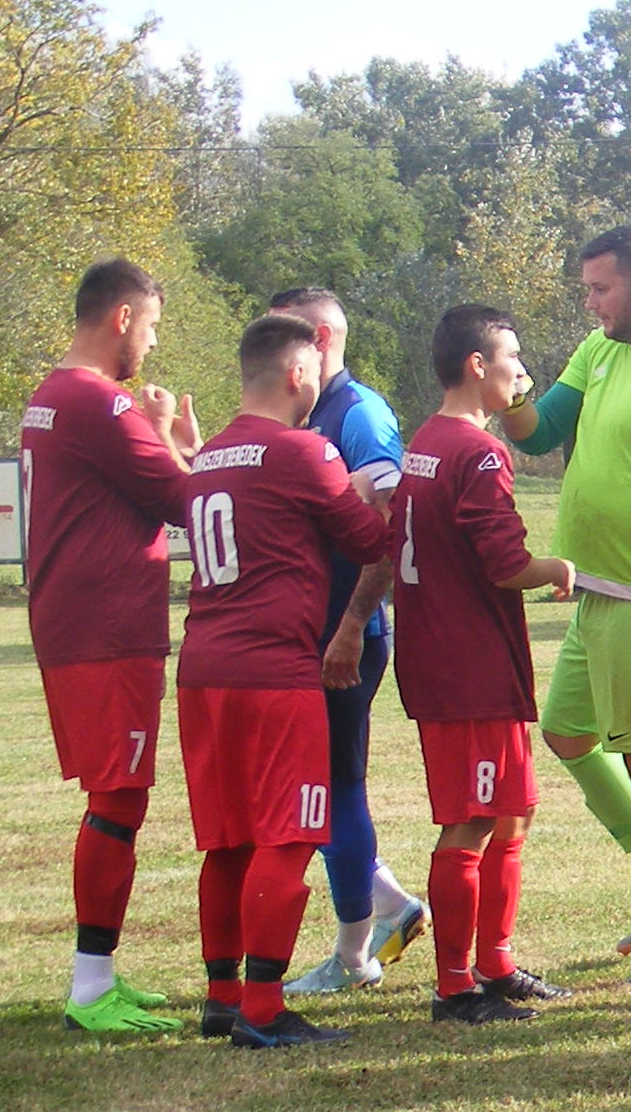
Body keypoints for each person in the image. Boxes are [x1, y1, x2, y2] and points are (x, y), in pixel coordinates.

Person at [178, 315, 401, 1048]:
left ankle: (221, 996)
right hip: (275, 671)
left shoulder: (208, 455)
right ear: (299, 375)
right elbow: (370, 539)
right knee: (287, 835)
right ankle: (264, 1010)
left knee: (227, 840)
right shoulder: (303, 450)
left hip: (204, 669)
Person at [503, 225, 631, 982]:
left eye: (601, 289)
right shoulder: (599, 350)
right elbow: (537, 433)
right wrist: (513, 383)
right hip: (592, 585)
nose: (590, 303)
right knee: (565, 734)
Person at [20, 259, 198, 1033]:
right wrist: (168, 437)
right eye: (152, 326)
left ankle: (99, 975)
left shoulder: (51, 395)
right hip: (104, 627)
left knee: (117, 795)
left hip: (79, 620)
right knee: (118, 797)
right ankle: (90, 986)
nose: (152, 346)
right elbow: (189, 500)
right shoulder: (99, 401)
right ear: (122, 318)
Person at [392, 305, 578, 1024]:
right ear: (477, 365)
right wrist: (557, 565)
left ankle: (495, 964)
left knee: (511, 811)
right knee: (472, 820)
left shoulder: (427, 442)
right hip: (465, 663)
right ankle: (454, 985)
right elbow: (503, 564)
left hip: (453, 656)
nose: (522, 372)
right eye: (513, 356)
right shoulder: (479, 451)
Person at [269, 288, 427, 997]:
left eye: (289, 337)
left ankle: (355, 951)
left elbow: (391, 525)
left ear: (323, 338)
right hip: (316, 629)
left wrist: (349, 627)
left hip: (346, 633)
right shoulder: (312, 414)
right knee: (322, 789)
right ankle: (389, 906)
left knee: (336, 790)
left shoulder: (358, 411)